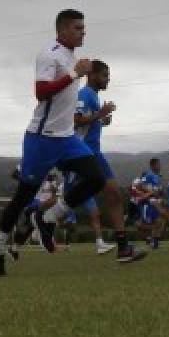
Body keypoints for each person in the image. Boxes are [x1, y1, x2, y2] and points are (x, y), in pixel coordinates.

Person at [0, 9, 145, 278]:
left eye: (84, 28)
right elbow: (40, 92)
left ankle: (46, 219)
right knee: (23, 196)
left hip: (67, 138)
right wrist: (73, 74)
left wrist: (95, 114)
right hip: (42, 139)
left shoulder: (72, 57)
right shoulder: (50, 55)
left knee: (95, 179)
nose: (84, 32)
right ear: (63, 30)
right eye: (79, 28)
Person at [64, 59, 117, 255]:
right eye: (105, 76)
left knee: (111, 193)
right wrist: (100, 114)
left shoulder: (93, 97)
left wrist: (103, 120)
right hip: (82, 154)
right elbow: (75, 121)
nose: (108, 80)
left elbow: (90, 123)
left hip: (93, 153)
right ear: (92, 75)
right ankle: (35, 219)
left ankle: (115, 243)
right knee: (65, 201)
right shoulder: (84, 94)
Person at [132, 159, 166, 249]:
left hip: (155, 202)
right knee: (148, 223)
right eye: (158, 164)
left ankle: (154, 242)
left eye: (160, 164)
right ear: (153, 165)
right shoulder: (148, 175)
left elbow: (157, 190)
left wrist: (160, 192)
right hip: (148, 203)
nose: (160, 166)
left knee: (160, 220)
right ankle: (149, 237)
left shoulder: (157, 176)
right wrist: (150, 192)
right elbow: (139, 185)